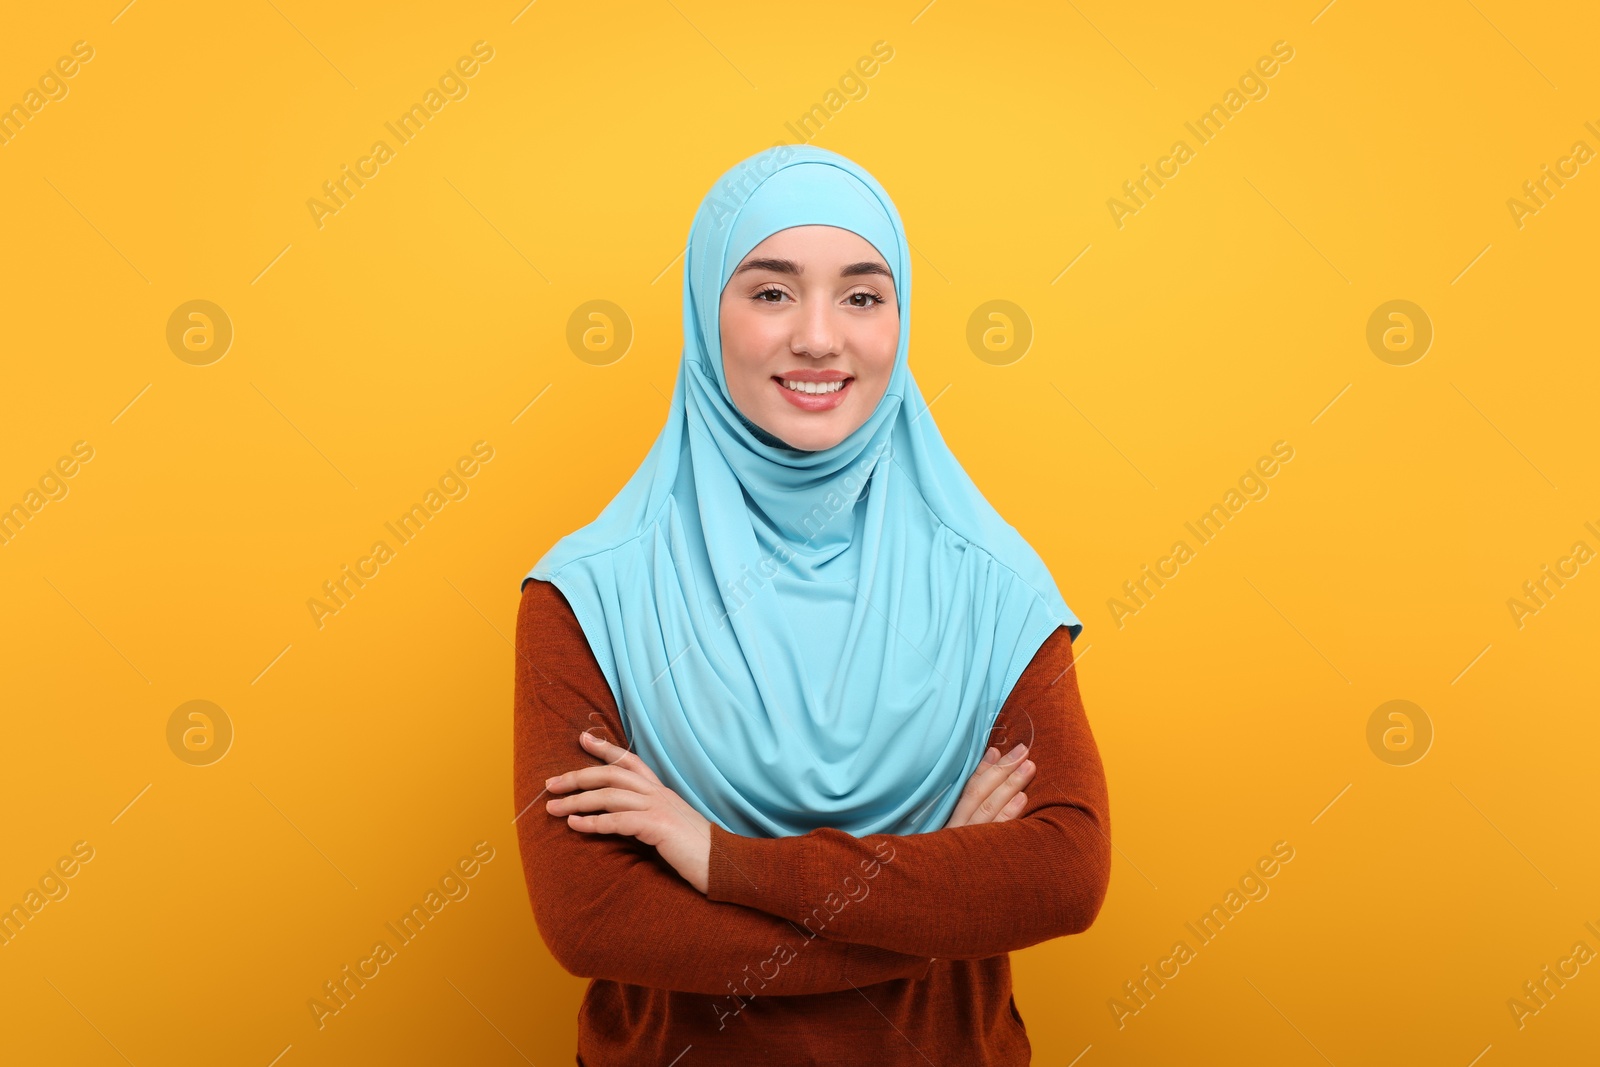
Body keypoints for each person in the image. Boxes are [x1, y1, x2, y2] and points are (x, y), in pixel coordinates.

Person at [513, 143, 1110, 1065]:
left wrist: (716, 856)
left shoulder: (990, 580)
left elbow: (1063, 874)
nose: (820, 338)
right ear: (706, 313)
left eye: (863, 295)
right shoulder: (589, 592)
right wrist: (932, 901)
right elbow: (593, 918)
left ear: (900, 318)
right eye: (771, 292)